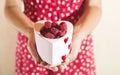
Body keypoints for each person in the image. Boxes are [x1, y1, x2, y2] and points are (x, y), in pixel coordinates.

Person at [4, 0, 102, 75]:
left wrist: (77, 35)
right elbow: (11, 6)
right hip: (34, 44)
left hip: (75, 45)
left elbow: (94, 6)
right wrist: (31, 31)